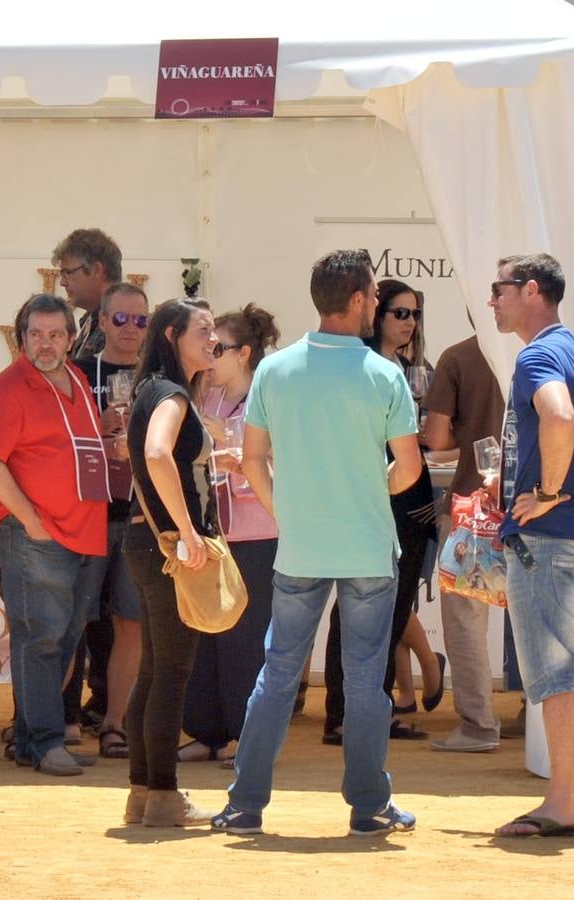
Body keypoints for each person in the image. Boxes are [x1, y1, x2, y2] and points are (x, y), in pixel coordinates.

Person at [212, 250, 422, 837]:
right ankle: (367, 805)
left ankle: (244, 805)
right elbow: (407, 470)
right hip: (366, 548)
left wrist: (290, 512)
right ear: (357, 300)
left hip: (300, 548)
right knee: (362, 681)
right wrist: (366, 491)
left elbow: (251, 460)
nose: (378, 304)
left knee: (277, 673)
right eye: (376, 295)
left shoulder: (276, 370)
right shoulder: (385, 374)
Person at [487, 253, 574, 837]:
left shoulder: (538, 355)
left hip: (548, 540)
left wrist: (543, 490)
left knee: (562, 676)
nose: (493, 300)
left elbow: (558, 419)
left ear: (531, 289)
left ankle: (563, 803)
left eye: (499, 289)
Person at [0, 294, 107, 776]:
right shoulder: (9, 389)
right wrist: (29, 520)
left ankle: (33, 740)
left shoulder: (75, 380)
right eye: (35, 334)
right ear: (21, 337)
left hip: (83, 534)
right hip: (36, 537)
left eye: (54, 334)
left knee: (63, 643)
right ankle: (48, 740)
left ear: (71, 339)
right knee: (41, 642)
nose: (45, 344)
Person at [322, 280, 443, 744]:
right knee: (354, 608)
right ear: (376, 314)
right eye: (400, 313)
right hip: (377, 495)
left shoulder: (412, 369)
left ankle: (373, 708)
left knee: (391, 609)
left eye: (415, 314)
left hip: (411, 499)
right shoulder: (364, 368)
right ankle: (342, 712)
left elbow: (427, 436)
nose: (409, 323)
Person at [121, 298, 224, 828]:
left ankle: (145, 791)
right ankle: (163, 793)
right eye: (202, 329)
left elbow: (157, 457)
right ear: (170, 336)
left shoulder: (152, 391)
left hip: (146, 542)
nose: (214, 338)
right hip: (167, 546)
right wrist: (187, 531)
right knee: (171, 673)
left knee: (156, 669)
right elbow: (158, 455)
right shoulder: (171, 394)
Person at [178, 303, 279, 766]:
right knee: (204, 629)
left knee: (246, 636)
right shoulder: (207, 397)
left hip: (258, 530)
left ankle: (245, 733)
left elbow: (279, 464)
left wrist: (232, 451)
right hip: (214, 529)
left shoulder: (269, 396)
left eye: (217, 347)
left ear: (244, 353)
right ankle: (206, 729)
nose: (208, 355)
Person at [71, 282, 148, 759]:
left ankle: (115, 723)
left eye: (140, 321)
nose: (130, 330)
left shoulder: (158, 375)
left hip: (137, 512)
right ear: (101, 323)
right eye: (120, 319)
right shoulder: (79, 373)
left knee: (131, 623)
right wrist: (93, 426)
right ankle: (61, 717)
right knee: (72, 620)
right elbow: (59, 437)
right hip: (86, 511)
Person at [423, 323, 506, 752]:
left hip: (474, 506)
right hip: (538, 501)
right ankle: (542, 715)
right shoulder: (547, 350)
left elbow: (435, 437)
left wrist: (470, 429)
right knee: (539, 618)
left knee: (466, 621)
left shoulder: (458, 357)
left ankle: (479, 724)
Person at [52, 228, 122, 362]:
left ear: (96, 270)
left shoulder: (120, 323)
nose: (62, 283)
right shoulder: (91, 320)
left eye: (68, 272)